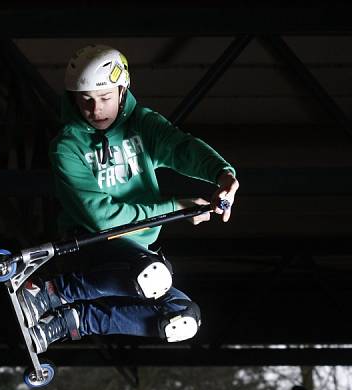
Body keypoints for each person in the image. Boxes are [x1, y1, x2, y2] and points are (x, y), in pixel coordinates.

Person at [15, 44, 239, 352]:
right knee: (153, 273)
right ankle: (50, 293)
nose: (95, 110)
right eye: (86, 101)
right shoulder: (67, 147)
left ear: (123, 91)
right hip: (90, 244)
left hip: (137, 256)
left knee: (183, 318)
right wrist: (179, 207)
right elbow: (101, 217)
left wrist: (222, 174)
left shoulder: (143, 125)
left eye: (105, 98)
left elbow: (181, 149)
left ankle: (71, 321)